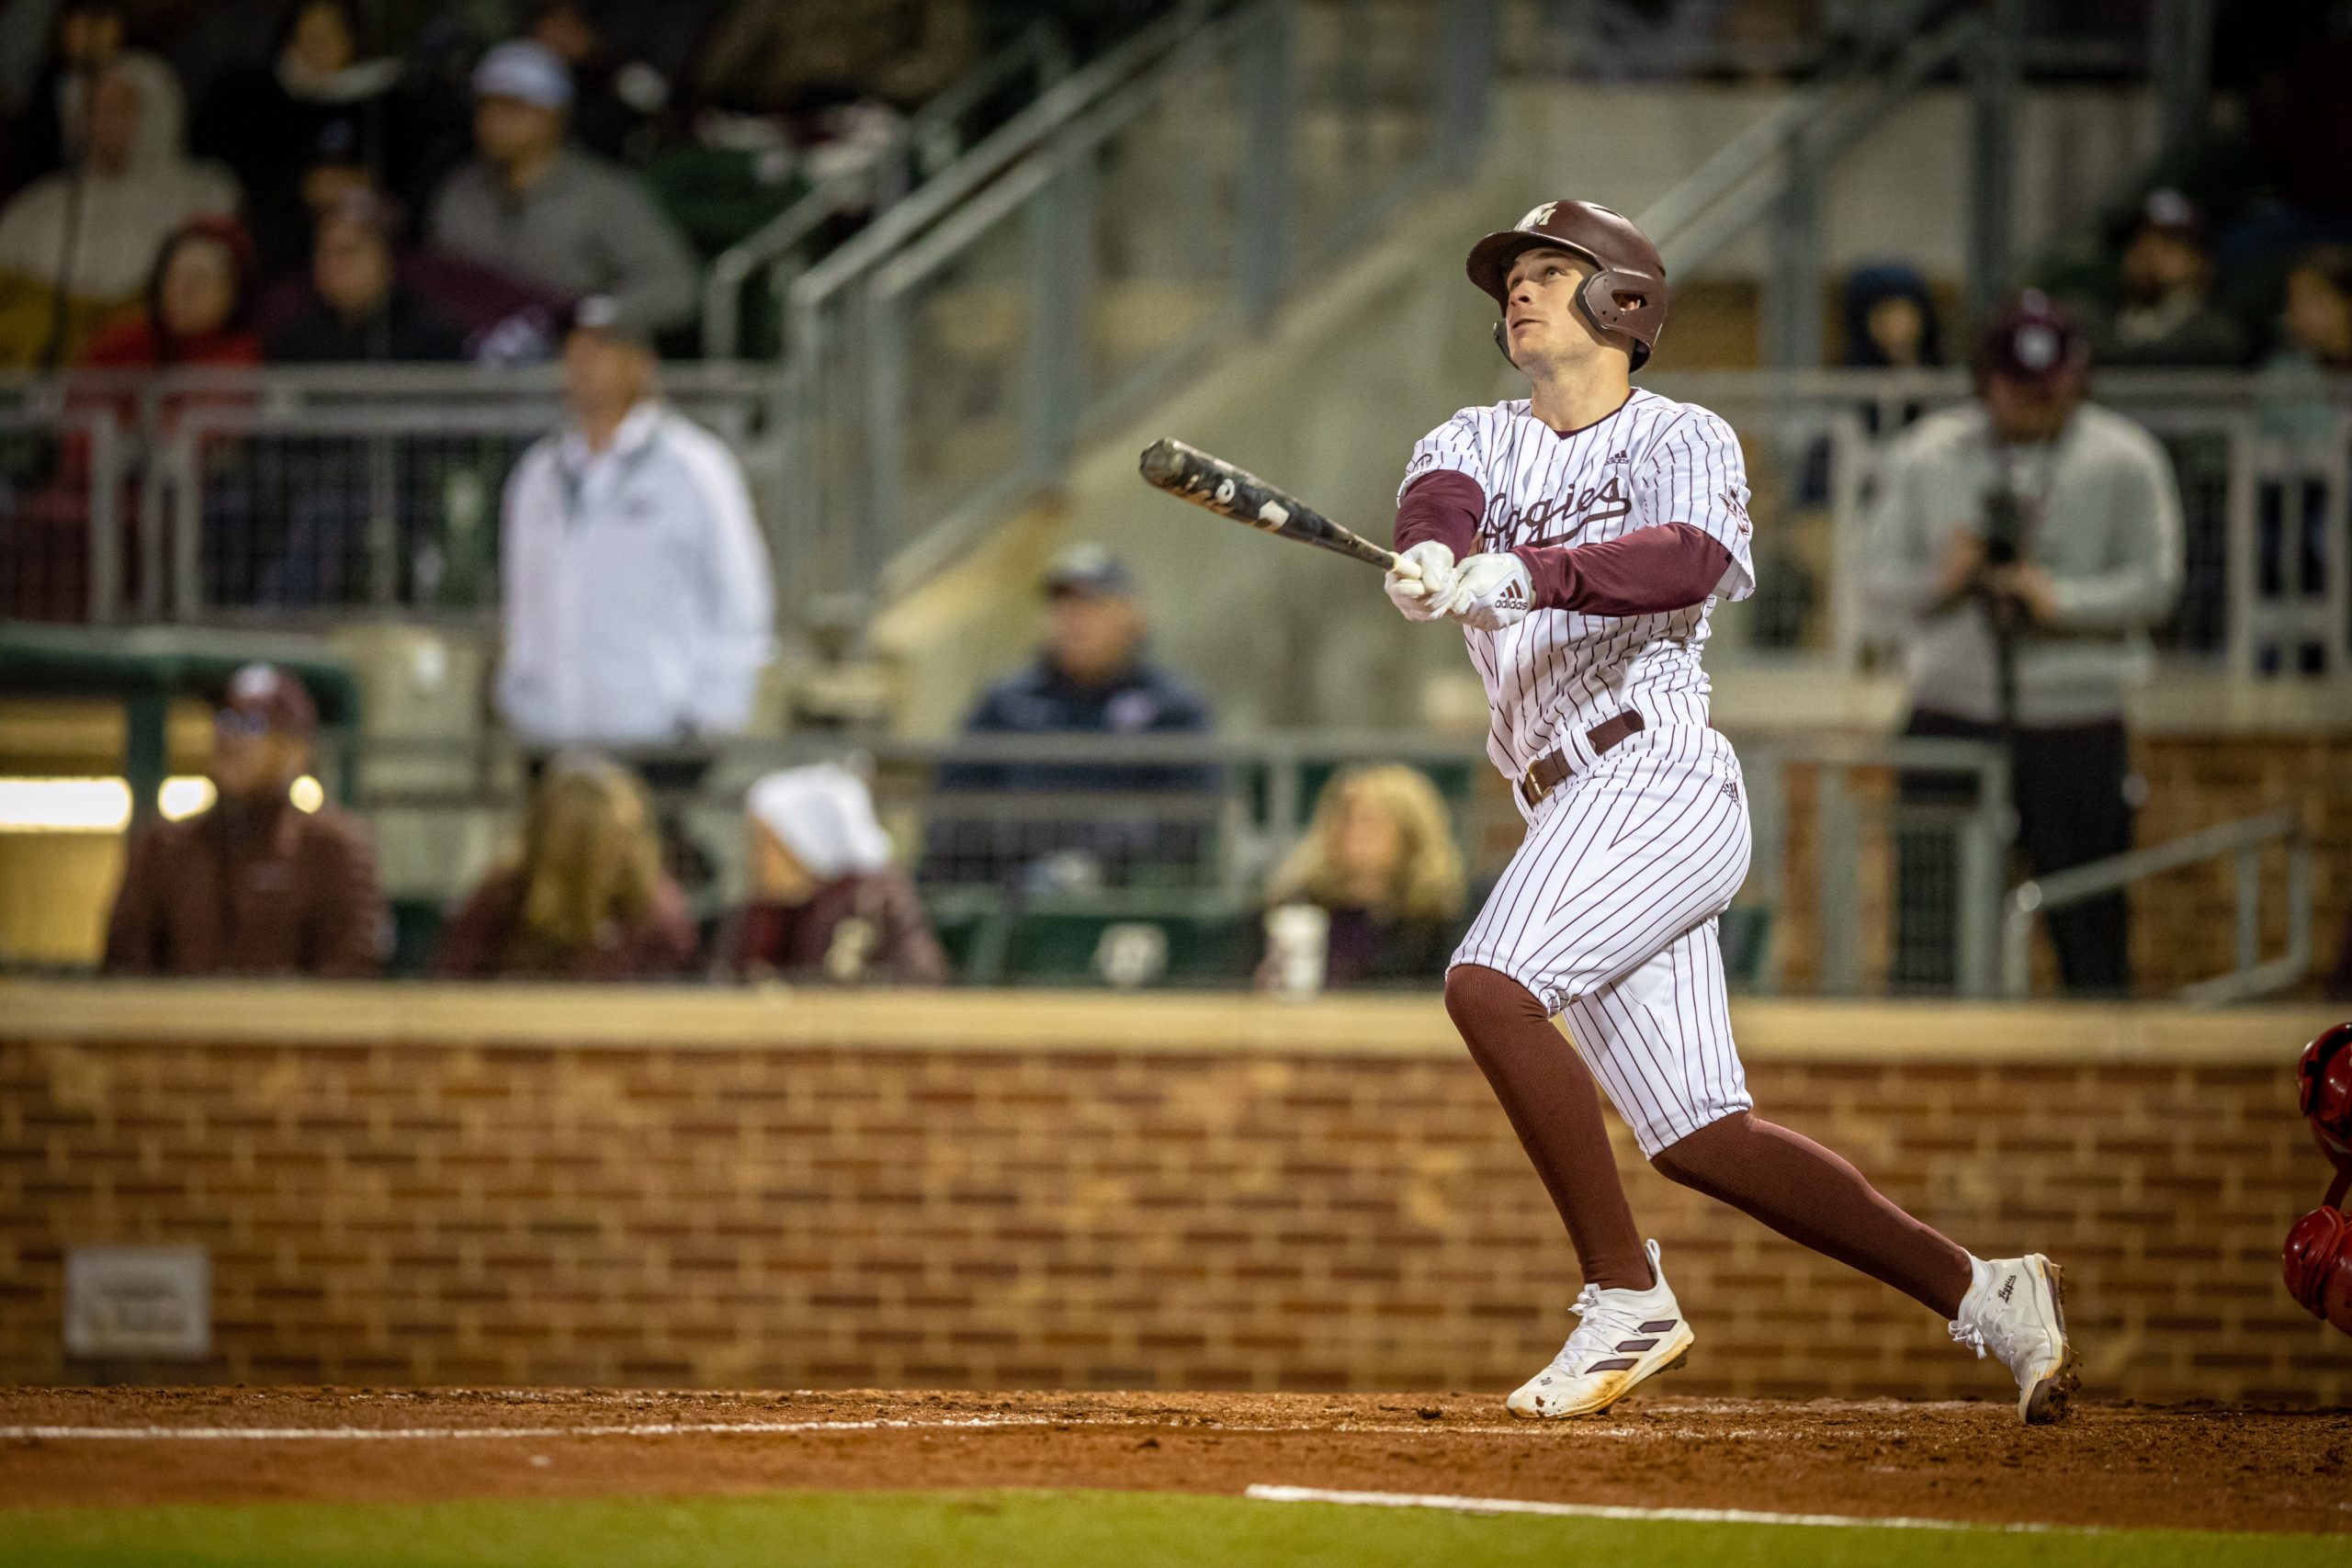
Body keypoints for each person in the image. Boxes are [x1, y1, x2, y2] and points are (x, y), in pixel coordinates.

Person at [1383, 198, 2075, 1426]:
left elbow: (1690, 557)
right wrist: (1435, 555)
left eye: (1551, 271)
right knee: (1703, 1132)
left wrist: (1529, 570)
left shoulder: (1682, 433)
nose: (1521, 292)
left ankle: (1621, 1290)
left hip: (1655, 775)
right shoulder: (1474, 436)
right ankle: (1986, 1288)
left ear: (1625, 302)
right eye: (1514, 278)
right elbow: (1439, 496)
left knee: (1487, 984)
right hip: (1564, 807)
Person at [1865, 293, 2184, 995]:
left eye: (2050, 388)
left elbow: (2158, 584)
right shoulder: (1929, 453)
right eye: (2017, 387)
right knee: (1931, 922)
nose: (2035, 403)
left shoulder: (2125, 457)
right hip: (1952, 705)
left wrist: (2058, 598)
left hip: (2076, 716)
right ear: (1986, 380)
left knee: (2088, 917)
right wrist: (1942, 579)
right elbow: (1872, 584)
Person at [496, 295, 774, 749]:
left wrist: (709, 717)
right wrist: (521, 699)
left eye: (603, 349)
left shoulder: (694, 466)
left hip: (658, 734)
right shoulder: (539, 473)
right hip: (553, 733)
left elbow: (741, 597)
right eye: (575, 349)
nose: (584, 363)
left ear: (642, 364)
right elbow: (522, 598)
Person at [924, 543, 1216, 889]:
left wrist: (1101, 855)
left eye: (1091, 605)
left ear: (1131, 616)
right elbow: (956, 804)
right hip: (1011, 889)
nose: (1073, 620)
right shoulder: (1007, 701)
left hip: (1130, 893)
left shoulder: (1172, 705)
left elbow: (1190, 816)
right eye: (1061, 605)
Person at [103, 664, 383, 977]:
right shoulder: (164, 847)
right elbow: (124, 969)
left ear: (295, 749)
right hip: (179, 1026)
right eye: (224, 721)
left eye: (251, 724)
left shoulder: (332, 848)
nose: (230, 738)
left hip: (291, 1026)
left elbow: (350, 974)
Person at [427, 39, 698, 336]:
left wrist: (597, 315)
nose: (494, 121)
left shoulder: (605, 192)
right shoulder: (459, 192)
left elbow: (675, 284)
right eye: (485, 106)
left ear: (555, 114)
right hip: (480, 364)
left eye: (513, 107)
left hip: (580, 361)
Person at [0, 51, 238, 367]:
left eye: (119, 108)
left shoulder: (205, 195)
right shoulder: (35, 209)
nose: (102, 123)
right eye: (91, 109)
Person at [435, 754, 697, 980]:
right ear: (561, 848)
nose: (628, 854)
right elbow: (452, 992)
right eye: (610, 843)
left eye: (631, 836)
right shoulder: (504, 899)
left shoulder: (655, 911)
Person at [711, 763, 948, 985]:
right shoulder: (765, 909)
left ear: (804, 840)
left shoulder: (865, 898)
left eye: (770, 845)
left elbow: (834, 986)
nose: (757, 858)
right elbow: (730, 978)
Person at [1260, 764, 1467, 990]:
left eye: (1368, 821)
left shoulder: (1434, 926)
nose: (1352, 832)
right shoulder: (1296, 906)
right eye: (1344, 818)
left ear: (1410, 834)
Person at [265, 191, 466, 364]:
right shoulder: (295, 342)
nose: (332, 265)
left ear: (387, 258)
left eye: (348, 251)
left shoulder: (433, 339)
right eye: (324, 253)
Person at [2072, 189, 2249, 369]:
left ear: (2201, 262)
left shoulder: (2216, 334)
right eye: (2137, 239)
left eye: (2169, 241)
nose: (2148, 250)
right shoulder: (2093, 322)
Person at [79, 212, 258, 368]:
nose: (181, 291)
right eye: (173, 276)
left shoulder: (245, 357)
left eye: (199, 279)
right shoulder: (121, 345)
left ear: (233, 292)